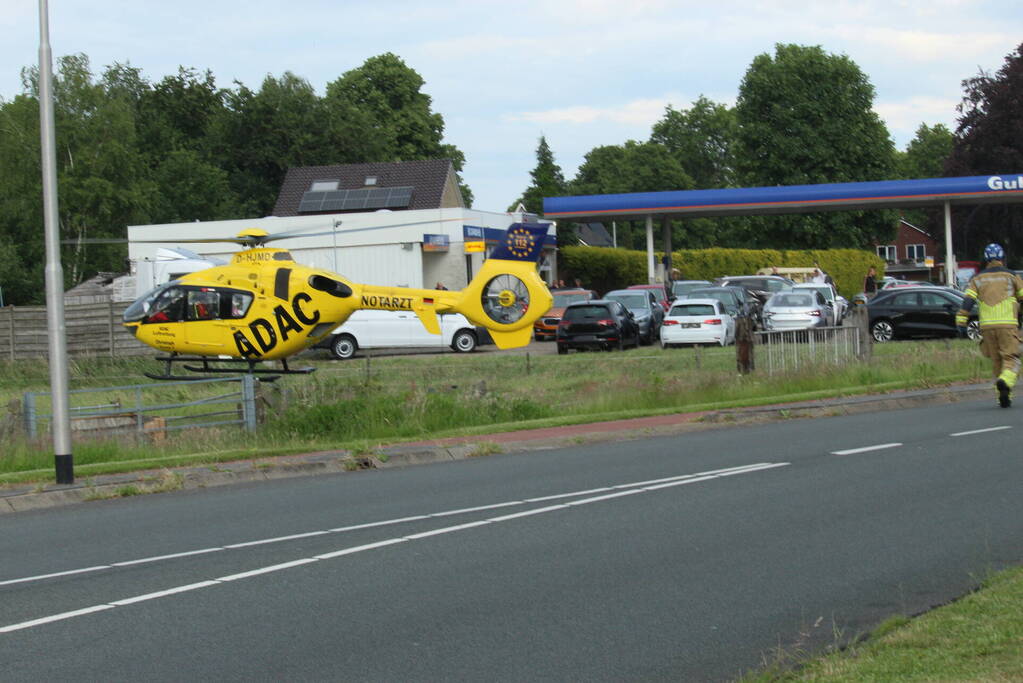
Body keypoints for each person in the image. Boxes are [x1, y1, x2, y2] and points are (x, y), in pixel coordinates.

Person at [956, 243, 1023, 408]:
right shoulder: (1012, 275)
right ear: (1002, 258)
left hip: (986, 326)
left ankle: (1003, 396)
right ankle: (1005, 381)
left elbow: (968, 301)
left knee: (997, 360)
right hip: (1007, 324)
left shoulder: (977, 278)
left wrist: (961, 321)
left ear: (985, 259)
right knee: (1012, 358)